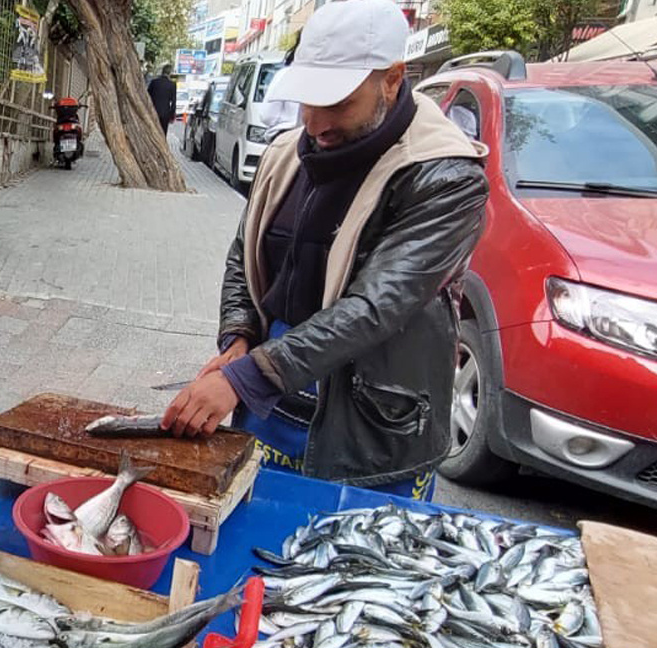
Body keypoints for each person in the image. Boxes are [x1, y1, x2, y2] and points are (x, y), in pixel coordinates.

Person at [161, 0, 489, 501]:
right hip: (270, 404)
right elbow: (244, 257)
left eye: (337, 104)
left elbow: (374, 307)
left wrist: (247, 376)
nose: (315, 124)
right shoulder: (285, 153)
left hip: (371, 435)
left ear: (392, 80)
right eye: (307, 102)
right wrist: (238, 338)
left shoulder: (445, 177)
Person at [147, 65, 177, 134]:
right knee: (163, 134)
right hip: (165, 114)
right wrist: (172, 116)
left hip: (153, 111)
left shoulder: (154, 82)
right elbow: (173, 102)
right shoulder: (172, 85)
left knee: (153, 133)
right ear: (170, 73)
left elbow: (147, 96)